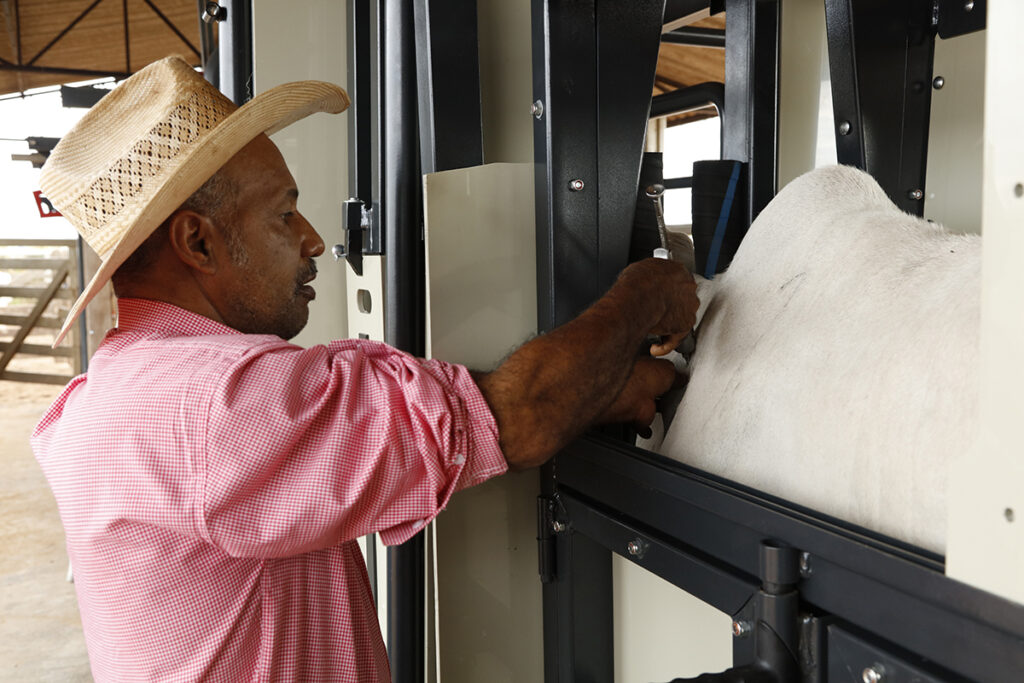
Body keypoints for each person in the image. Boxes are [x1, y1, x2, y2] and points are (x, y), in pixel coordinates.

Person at [31, 57, 699, 682]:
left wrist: (600, 387)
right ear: (198, 241)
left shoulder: (105, 397)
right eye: (283, 213)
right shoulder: (221, 404)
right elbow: (507, 417)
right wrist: (642, 296)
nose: (314, 238)